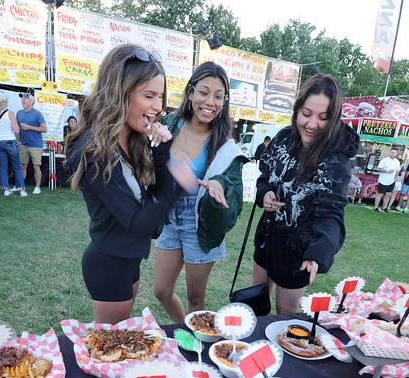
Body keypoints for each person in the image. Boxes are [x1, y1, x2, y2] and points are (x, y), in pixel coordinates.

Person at [66, 44, 192, 324]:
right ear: (120, 92)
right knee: (108, 350)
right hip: (108, 264)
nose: (158, 107)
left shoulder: (132, 139)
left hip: (129, 260)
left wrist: (161, 152)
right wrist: (177, 186)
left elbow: (154, 222)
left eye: (159, 97)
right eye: (149, 95)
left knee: (119, 340)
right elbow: (140, 223)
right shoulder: (93, 150)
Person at [253, 73, 359, 314]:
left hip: (299, 248)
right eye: (306, 114)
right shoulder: (282, 138)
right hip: (268, 236)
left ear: (334, 118)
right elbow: (264, 178)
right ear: (297, 110)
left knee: (286, 312)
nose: (312, 125)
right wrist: (265, 194)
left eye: (323, 118)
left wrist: (319, 251)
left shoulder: (336, 160)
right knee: (257, 301)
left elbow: (331, 213)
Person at [152, 62, 246, 323]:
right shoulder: (170, 124)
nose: (210, 102)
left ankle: (196, 347)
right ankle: (185, 327)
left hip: (200, 221)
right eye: (203, 92)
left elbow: (233, 190)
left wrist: (218, 186)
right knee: (161, 290)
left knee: (196, 298)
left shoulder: (225, 144)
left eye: (219, 96)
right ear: (191, 92)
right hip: (170, 215)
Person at [0, 91, 26, 197]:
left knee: (3, 165)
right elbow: (16, 130)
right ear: (5, 102)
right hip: (10, 141)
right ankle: (21, 189)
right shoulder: (10, 113)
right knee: (16, 165)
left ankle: (6, 189)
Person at [17, 93, 47, 195]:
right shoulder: (19, 113)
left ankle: (37, 187)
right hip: (23, 144)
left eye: (25, 99)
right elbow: (17, 129)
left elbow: (44, 129)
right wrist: (18, 141)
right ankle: (21, 186)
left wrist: (29, 127)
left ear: (31, 101)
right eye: (22, 100)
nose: (23, 101)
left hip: (36, 145)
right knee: (23, 166)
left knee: (36, 167)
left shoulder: (37, 114)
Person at [373, 147, 399, 212]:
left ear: (396, 154)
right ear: (390, 152)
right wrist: (387, 171)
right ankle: (375, 208)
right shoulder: (384, 160)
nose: (393, 153)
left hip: (391, 181)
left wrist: (395, 178)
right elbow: (379, 169)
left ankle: (384, 208)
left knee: (388, 194)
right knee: (380, 194)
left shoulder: (397, 161)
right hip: (383, 181)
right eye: (392, 152)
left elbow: (397, 170)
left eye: (394, 152)